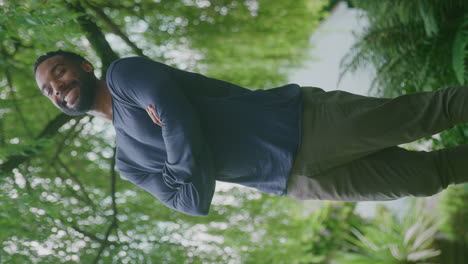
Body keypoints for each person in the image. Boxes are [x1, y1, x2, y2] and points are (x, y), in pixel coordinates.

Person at [34, 50, 468, 216]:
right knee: (429, 176)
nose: (57, 85)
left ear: (84, 67)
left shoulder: (124, 74)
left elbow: (175, 113)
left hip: (301, 122)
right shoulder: (128, 162)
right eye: (48, 88)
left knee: (429, 114)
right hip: (295, 181)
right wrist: (181, 139)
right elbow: (193, 203)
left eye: (59, 71)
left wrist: (180, 160)